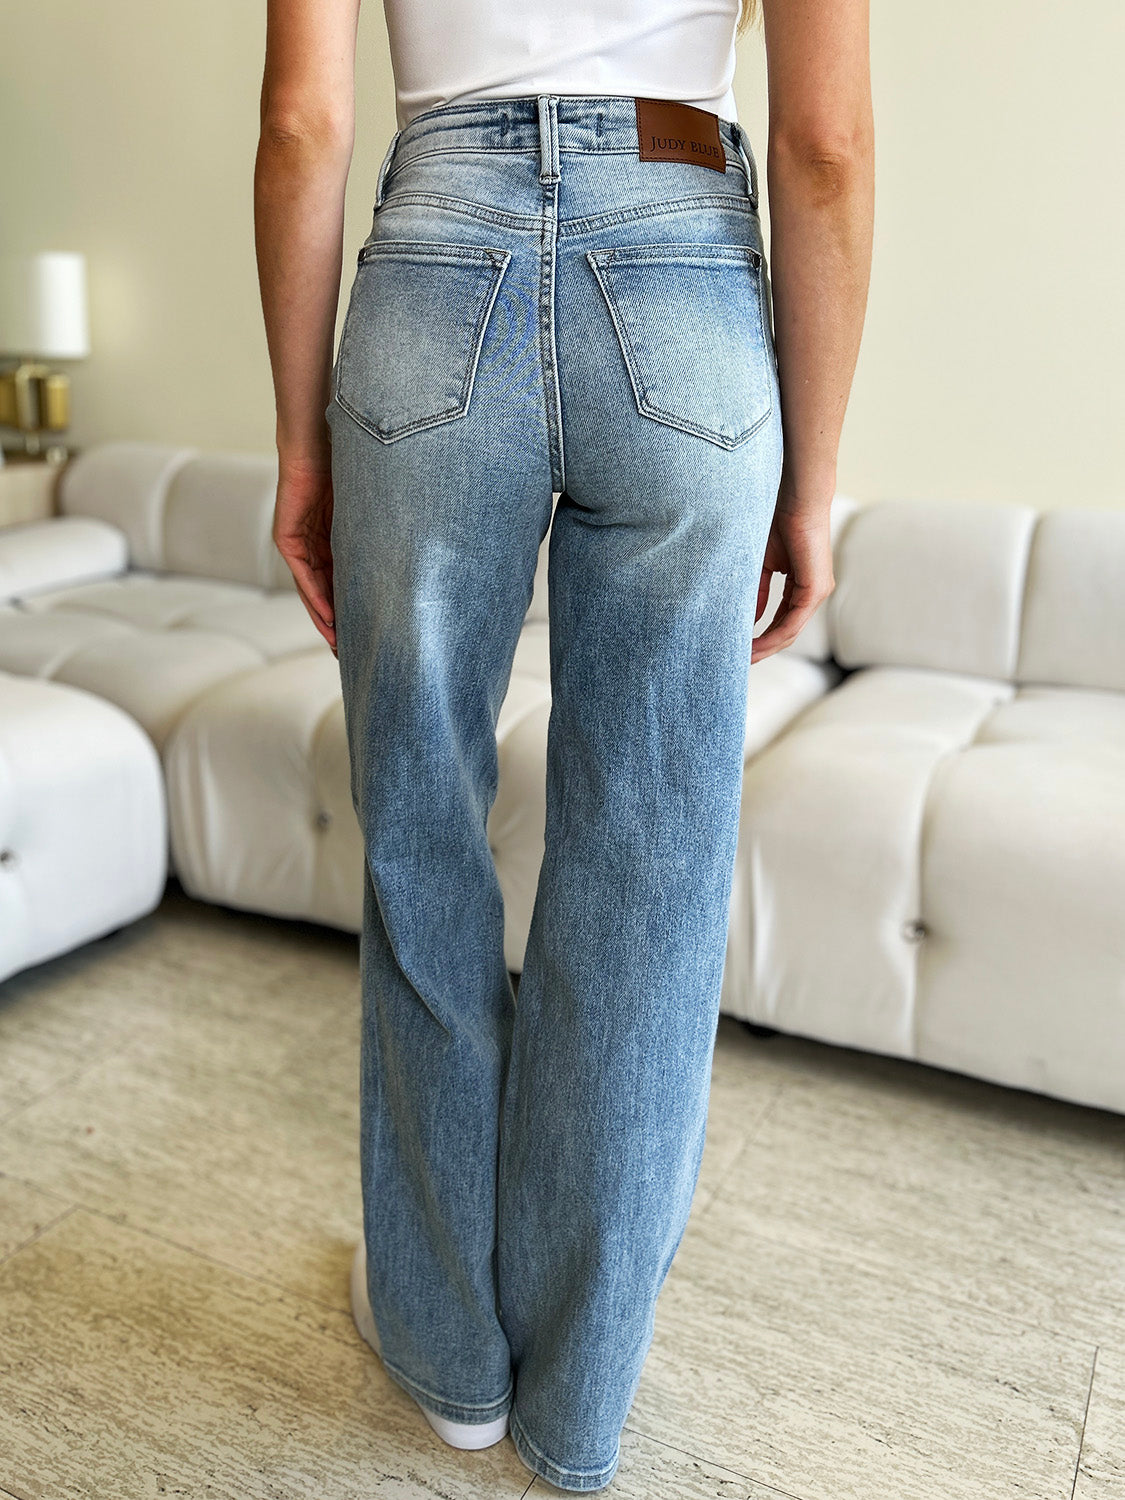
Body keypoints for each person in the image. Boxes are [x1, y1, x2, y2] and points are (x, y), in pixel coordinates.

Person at [254, 0, 873, 1488]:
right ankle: (575, 1400)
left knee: (417, 833)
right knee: (649, 867)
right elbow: (824, 147)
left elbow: (301, 125)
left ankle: (445, 1355)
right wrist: (817, 473)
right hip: (683, 274)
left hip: (431, 265)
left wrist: (299, 443)